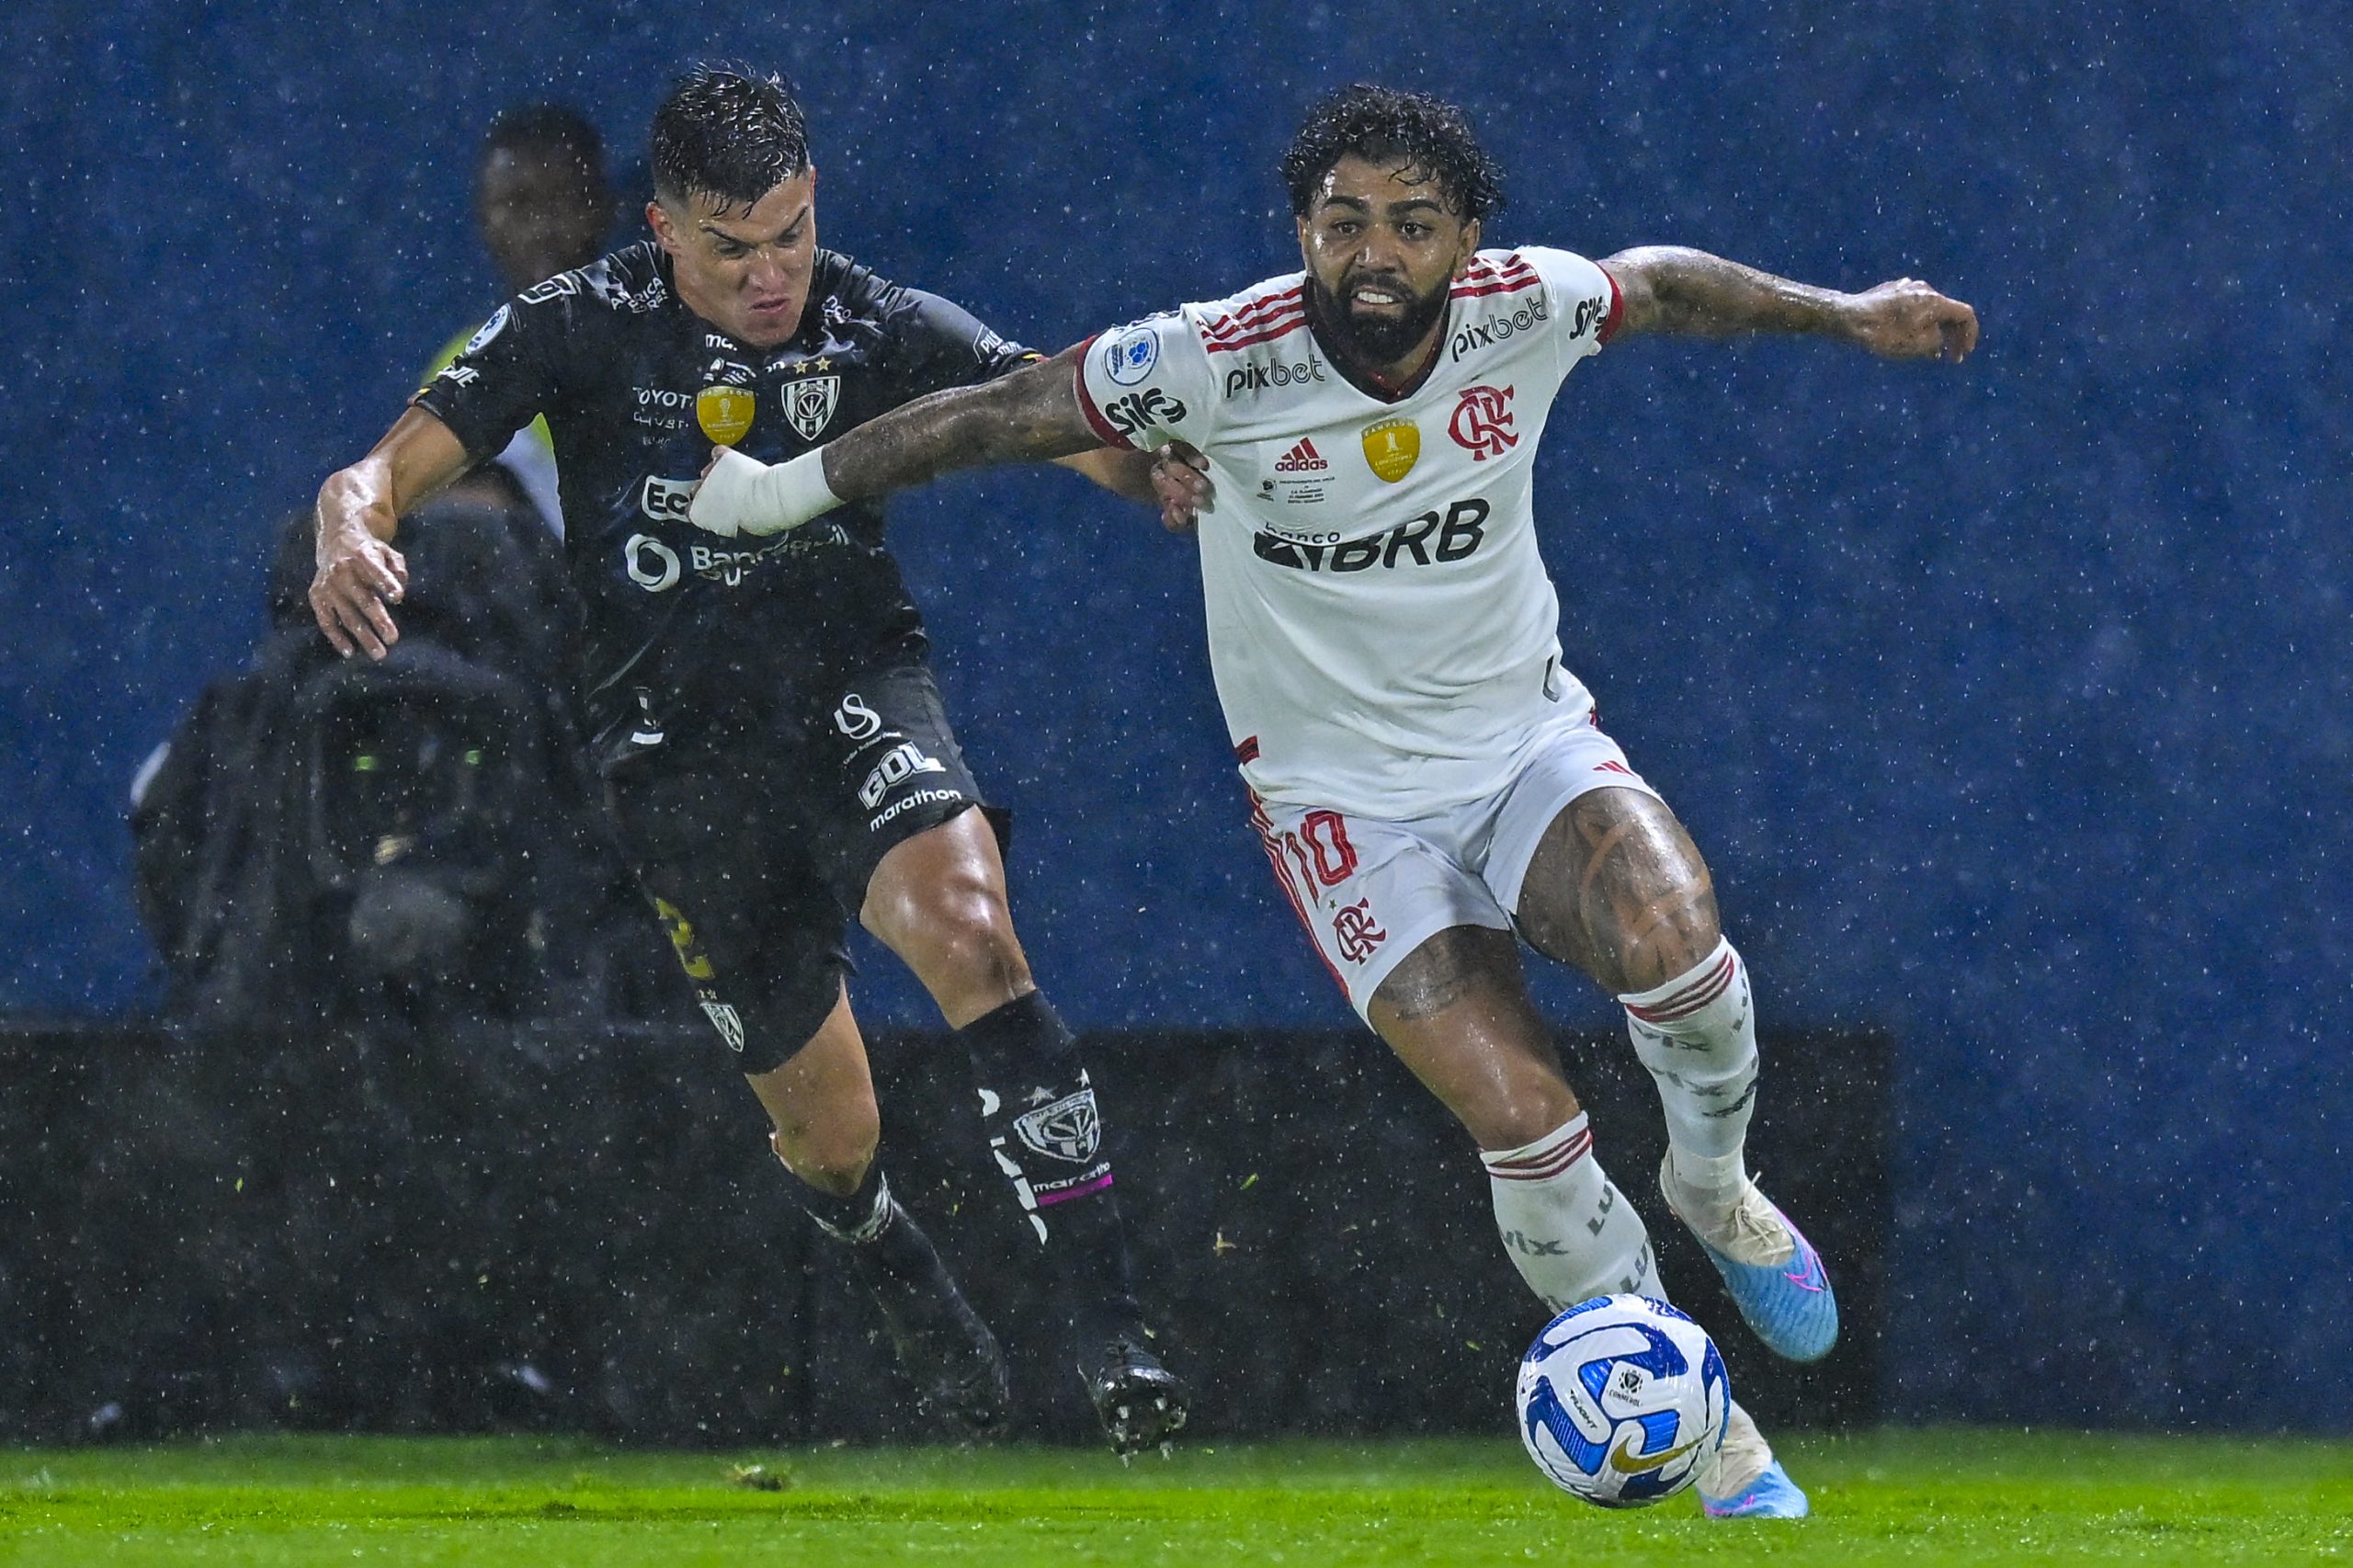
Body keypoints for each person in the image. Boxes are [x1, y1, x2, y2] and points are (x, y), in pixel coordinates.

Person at [688, 82, 1980, 1516]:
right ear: (1302, 226)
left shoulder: (1527, 307)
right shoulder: (1212, 357)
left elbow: (1666, 286)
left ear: (1467, 237)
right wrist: (779, 492)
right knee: (1525, 1114)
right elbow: (998, 412)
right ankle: (1707, 1425)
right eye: (1343, 220)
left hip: (1520, 745)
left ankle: (1715, 1186)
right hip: (1338, 804)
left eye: (1412, 225)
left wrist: (1849, 310)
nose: (1374, 252)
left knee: (1678, 935)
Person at [311, 65, 1188, 1455]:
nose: (771, 272)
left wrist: (1164, 467)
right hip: (671, 759)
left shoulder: (872, 317)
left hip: (855, 692)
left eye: (788, 232)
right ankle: (883, 1244)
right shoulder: (572, 329)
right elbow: (375, 474)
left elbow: (1056, 409)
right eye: (732, 247)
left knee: (972, 932)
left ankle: (1116, 1335)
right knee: (831, 1137)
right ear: (661, 228)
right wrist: (348, 529)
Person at [420, 104, 620, 535]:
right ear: (484, 217)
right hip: (522, 595)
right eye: (517, 204)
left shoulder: (662, 340)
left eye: (563, 200)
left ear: (604, 206)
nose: (541, 228)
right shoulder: (463, 358)